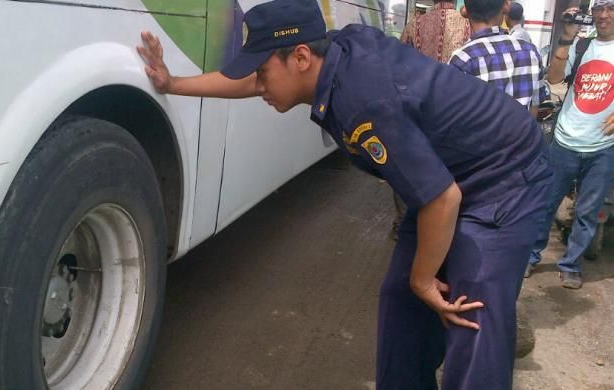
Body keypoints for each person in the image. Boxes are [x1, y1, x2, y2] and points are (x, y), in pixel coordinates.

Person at [138, 0, 551, 388]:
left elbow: (442, 199)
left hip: (504, 178)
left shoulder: (363, 100)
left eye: (263, 72)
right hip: (447, 177)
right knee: (401, 301)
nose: (259, 84)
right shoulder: (330, 55)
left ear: (300, 58)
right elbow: (249, 81)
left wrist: (426, 279)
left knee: (471, 319)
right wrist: (172, 83)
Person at [524, 0, 614, 289]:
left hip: (604, 147)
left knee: (588, 211)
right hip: (565, 139)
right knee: (546, 202)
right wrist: (567, 36)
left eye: (611, 8)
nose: (603, 15)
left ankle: (570, 263)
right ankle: (530, 255)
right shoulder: (582, 46)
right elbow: (554, 77)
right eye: (599, 8)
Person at [394, 0, 472, 240]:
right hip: (454, 110)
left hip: (417, 108)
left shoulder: (414, 24)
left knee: (407, 166)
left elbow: (397, 63)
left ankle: (405, 223)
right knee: (450, 170)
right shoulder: (468, 26)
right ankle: (447, 225)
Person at [449, 0, 543, 115]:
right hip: (521, 132)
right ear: (507, 6)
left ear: (464, 11)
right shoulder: (531, 51)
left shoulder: (462, 59)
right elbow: (534, 105)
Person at [401, 0, 471, 63]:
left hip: (422, 76)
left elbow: (400, 58)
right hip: (455, 76)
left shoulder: (414, 24)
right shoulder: (468, 24)